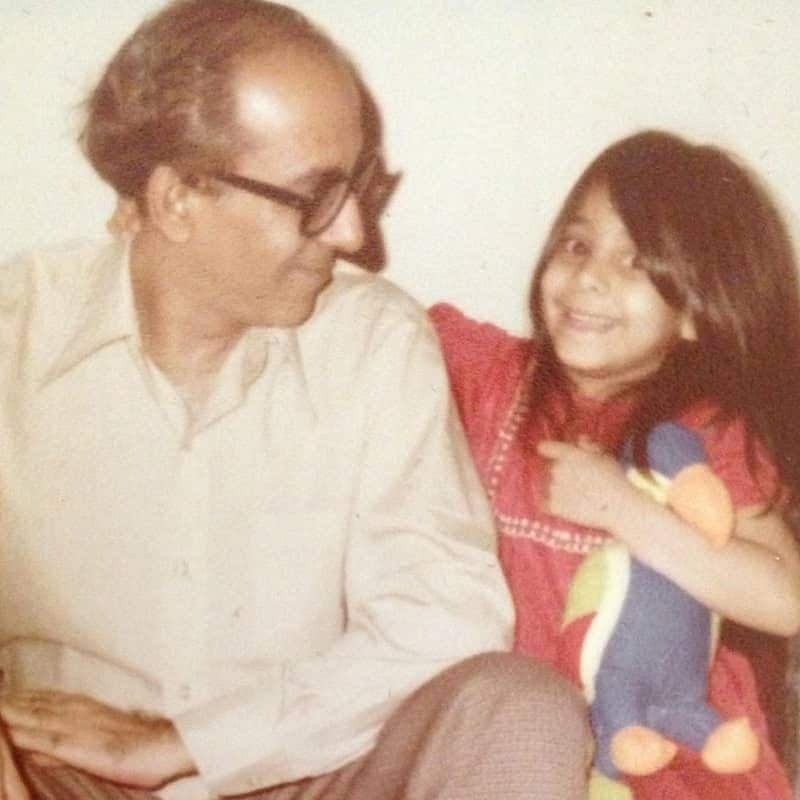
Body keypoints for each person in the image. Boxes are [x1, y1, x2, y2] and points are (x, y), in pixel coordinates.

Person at [0, 1, 593, 799]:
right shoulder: (17, 334)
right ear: (177, 199)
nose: (354, 234)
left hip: (309, 775)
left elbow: (445, 616)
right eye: (315, 196)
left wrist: (191, 745)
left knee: (526, 712)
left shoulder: (376, 343)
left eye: (361, 187)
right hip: (59, 775)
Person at [431, 129, 800, 799]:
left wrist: (624, 510)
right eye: (577, 245)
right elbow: (379, 324)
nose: (590, 276)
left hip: (666, 753)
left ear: (693, 312)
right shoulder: (491, 375)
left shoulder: (702, 430)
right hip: (513, 742)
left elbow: (786, 598)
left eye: (636, 262)